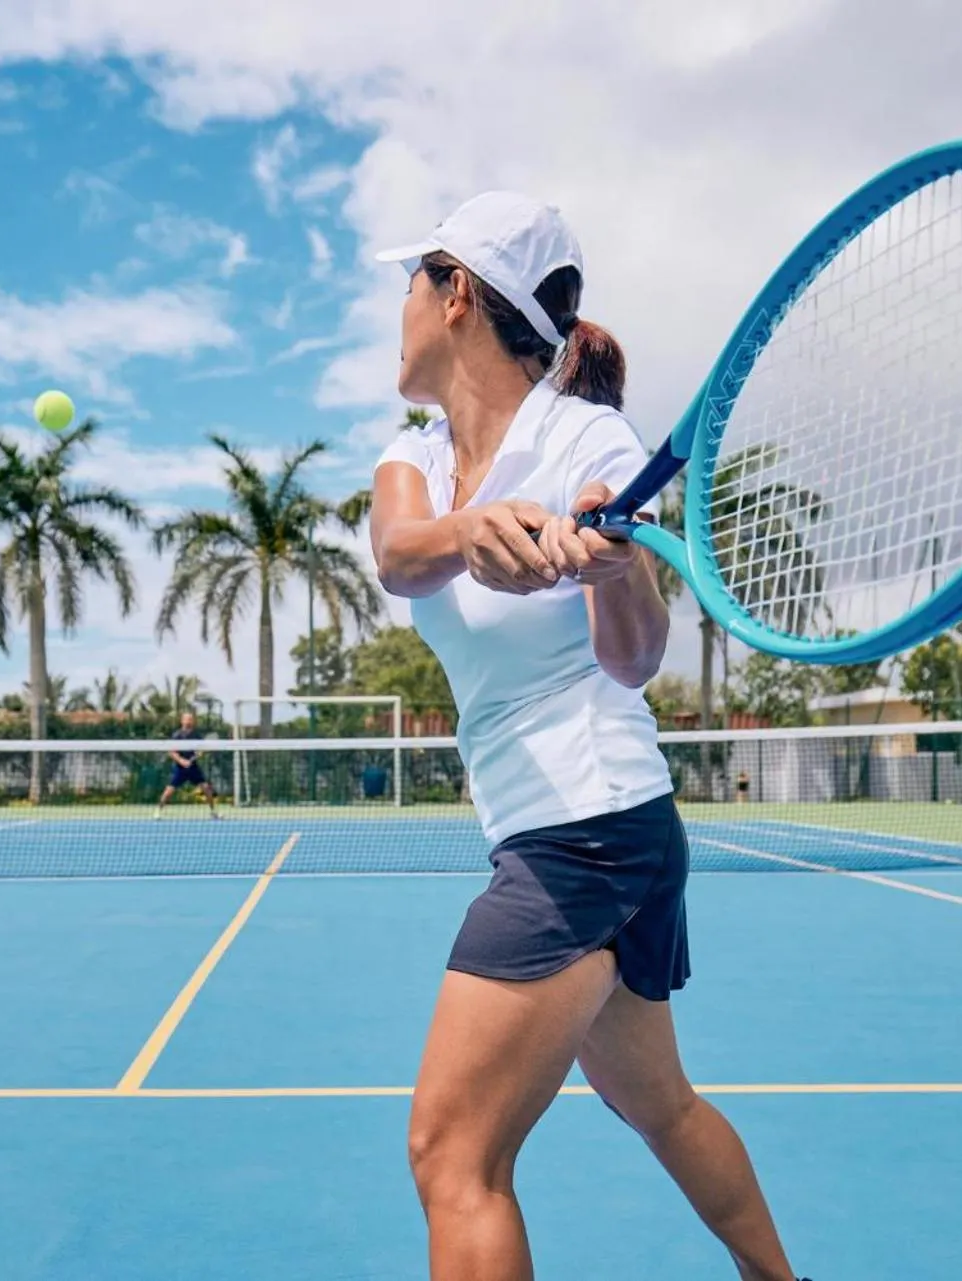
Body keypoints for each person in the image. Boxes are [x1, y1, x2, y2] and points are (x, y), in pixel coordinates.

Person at [366, 192, 808, 1281]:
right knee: (656, 1104)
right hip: (586, 829)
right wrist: (474, 533)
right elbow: (399, 553)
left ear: (455, 292)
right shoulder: (414, 454)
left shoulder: (584, 440)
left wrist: (615, 574)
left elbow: (632, 657)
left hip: (588, 826)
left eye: (411, 281)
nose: (400, 304)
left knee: (453, 1154)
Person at [154, 709, 219, 818]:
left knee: (206, 788)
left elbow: (200, 750)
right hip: (180, 769)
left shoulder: (197, 735)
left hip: (193, 768)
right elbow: (171, 751)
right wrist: (181, 761)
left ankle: (213, 812)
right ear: (182, 721)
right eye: (187, 719)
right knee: (169, 791)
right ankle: (158, 811)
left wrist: (199, 754)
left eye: (191, 719)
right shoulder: (177, 735)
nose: (189, 721)